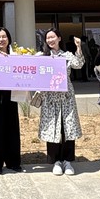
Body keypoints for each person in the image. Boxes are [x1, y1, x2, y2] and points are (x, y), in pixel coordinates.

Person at [38, 28, 84, 176]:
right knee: (53, 128)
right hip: (50, 98)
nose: (50, 40)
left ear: (59, 38)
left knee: (67, 128)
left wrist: (78, 47)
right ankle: (56, 161)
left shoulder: (67, 55)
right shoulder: (42, 57)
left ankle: (68, 161)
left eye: (53, 37)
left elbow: (79, 64)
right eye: (48, 38)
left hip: (66, 97)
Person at [0, 27, 23, 174]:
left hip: (12, 95)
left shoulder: (15, 54)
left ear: (8, 38)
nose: (1, 40)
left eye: (4, 37)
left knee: (12, 127)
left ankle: (13, 162)